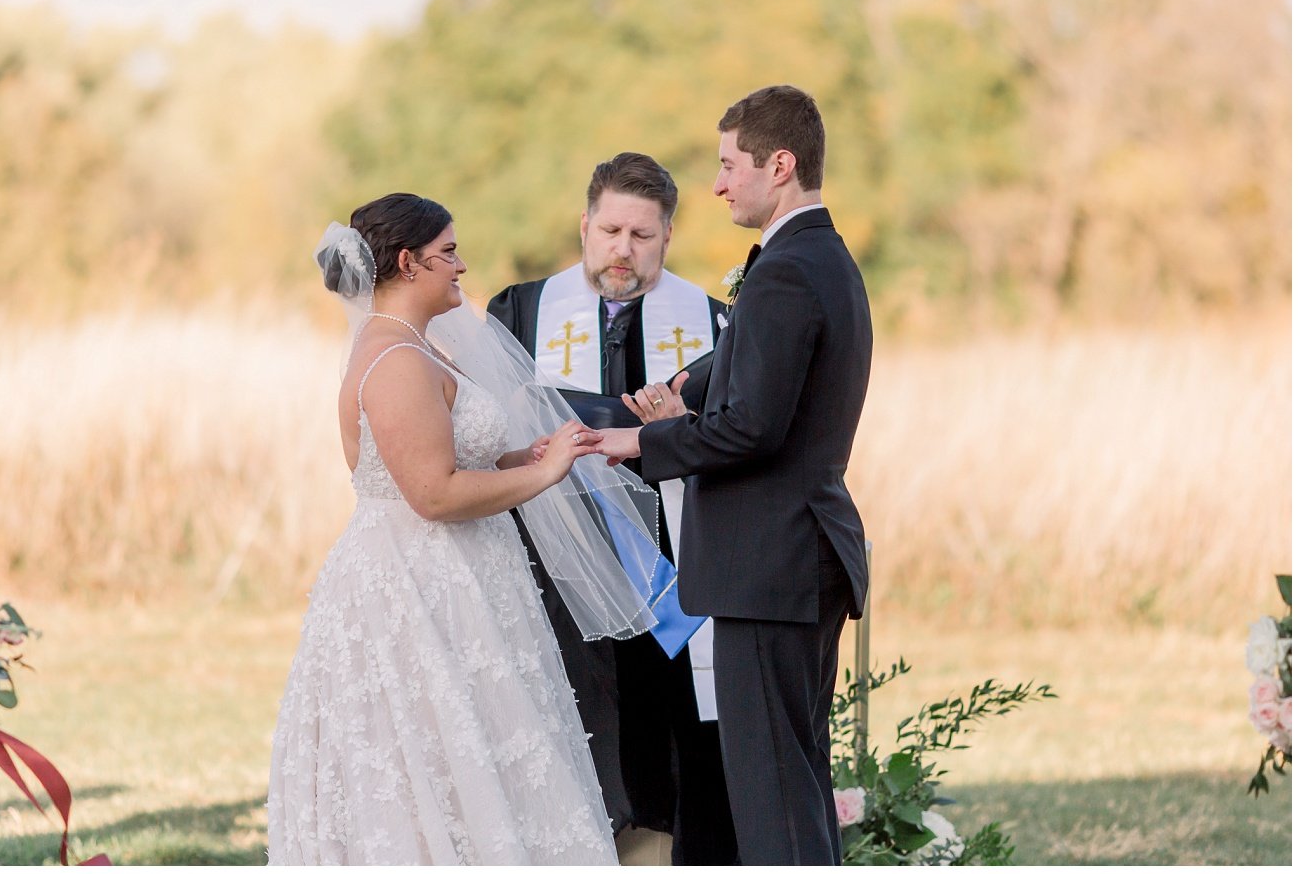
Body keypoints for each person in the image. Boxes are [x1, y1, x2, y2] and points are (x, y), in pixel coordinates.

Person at [267, 193, 663, 864]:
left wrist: (531, 456)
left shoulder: (423, 349)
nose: (461, 265)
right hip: (417, 587)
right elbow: (432, 493)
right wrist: (541, 479)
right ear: (407, 262)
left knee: (488, 750)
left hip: (466, 577)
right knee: (434, 763)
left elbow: (458, 459)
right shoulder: (394, 362)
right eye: (447, 252)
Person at [594, 86, 873, 865]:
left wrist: (643, 444)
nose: (717, 185)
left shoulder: (787, 271)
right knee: (795, 783)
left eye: (728, 165)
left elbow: (754, 427)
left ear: (778, 165)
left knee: (772, 799)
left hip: (772, 564)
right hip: (797, 557)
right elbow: (762, 370)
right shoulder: (818, 257)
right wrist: (694, 381)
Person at [488, 153, 737, 864]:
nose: (623, 250)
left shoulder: (717, 325)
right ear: (585, 225)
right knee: (570, 713)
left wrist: (679, 429)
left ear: (667, 238)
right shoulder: (522, 311)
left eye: (643, 236)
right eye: (610, 230)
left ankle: (664, 847)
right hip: (556, 569)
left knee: (672, 724)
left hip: (672, 565)